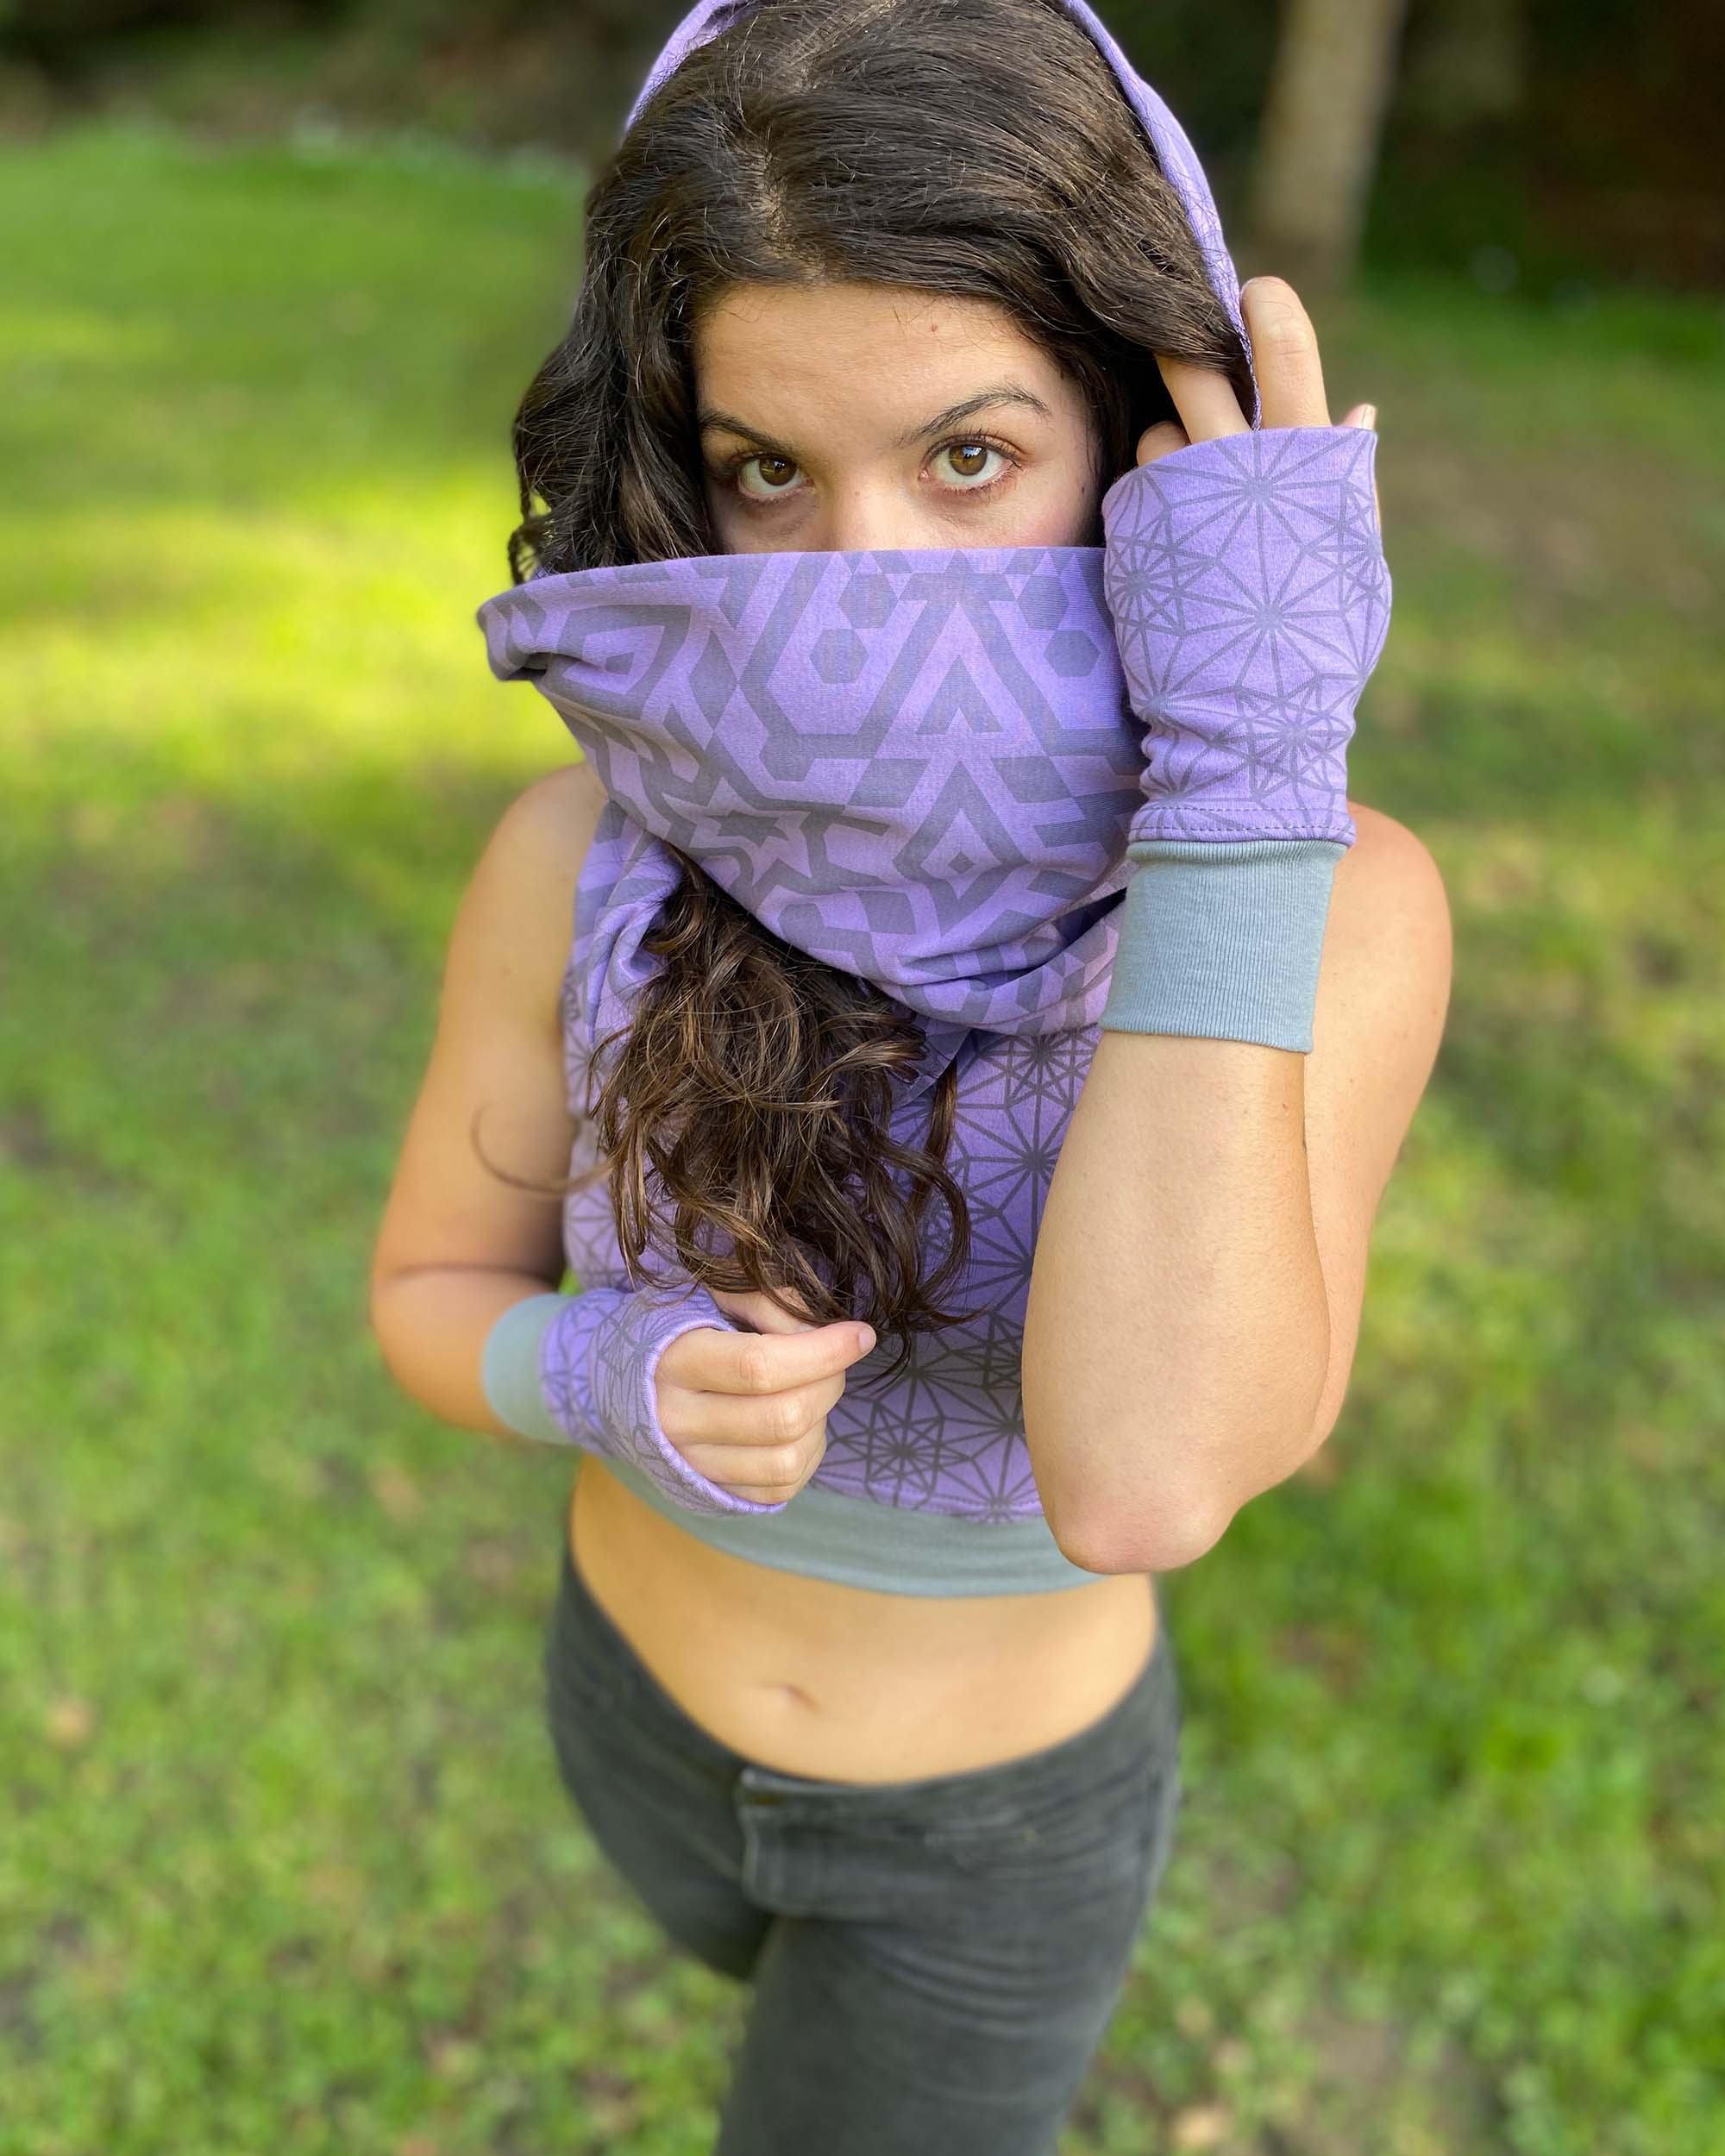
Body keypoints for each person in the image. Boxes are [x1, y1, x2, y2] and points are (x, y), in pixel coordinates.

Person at [369, 0, 1450, 2147]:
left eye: (970, 456)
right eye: (770, 470)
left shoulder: (1336, 905)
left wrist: (1247, 762)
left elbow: (1142, 1480)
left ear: (1154, 440)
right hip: (629, 1722)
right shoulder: (579, 852)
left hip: (983, 1844)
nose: (868, 582)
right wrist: (596, 1375)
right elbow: (428, 1297)